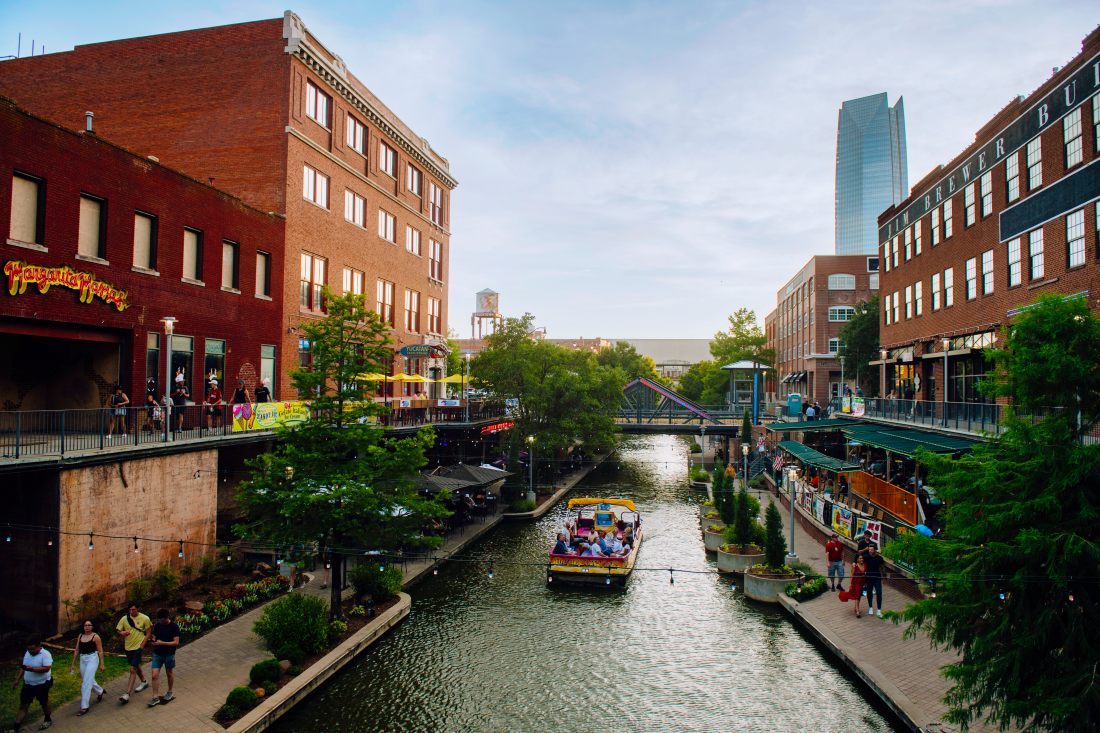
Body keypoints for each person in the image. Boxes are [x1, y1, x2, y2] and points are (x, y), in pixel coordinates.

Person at [10, 636, 52, 731]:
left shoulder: (45, 654)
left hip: (42, 684)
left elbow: (46, 668)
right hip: (28, 684)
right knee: (23, 705)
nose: (30, 651)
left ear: (38, 646)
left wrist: (32, 669)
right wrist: (17, 679)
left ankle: (47, 719)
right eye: (29, 649)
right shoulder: (28, 653)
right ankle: (15, 729)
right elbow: (23, 667)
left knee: (44, 702)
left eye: (33, 649)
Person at [116, 603, 152, 703]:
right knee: (135, 666)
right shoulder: (124, 619)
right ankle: (144, 682)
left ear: (138, 609)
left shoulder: (145, 618)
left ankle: (127, 694)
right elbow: (118, 631)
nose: (131, 612)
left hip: (138, 647)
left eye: (133, 610)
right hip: (128, 647)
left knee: (132, 669)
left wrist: (142, 645)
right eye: (130, 610)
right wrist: (121, 633)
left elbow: (148, 633)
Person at [70, 620, 106, 715]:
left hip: (92, 659)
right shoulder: (80, 636)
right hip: (83, 659)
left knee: (86, 683)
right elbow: (77, 649)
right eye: (85, 625)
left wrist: (102, 664)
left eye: (89, 625)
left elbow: (100, 651)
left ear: (92, 627)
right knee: (87, 679)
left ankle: (84, 706)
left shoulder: (95, 637)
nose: (87, 627)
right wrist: (73, 664)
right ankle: (100, 691)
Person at [148, 609, 179, 707]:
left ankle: (170, 691)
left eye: (163, 621)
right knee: (154, 675)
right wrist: (153, 640)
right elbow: (155, 636)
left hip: (169, 654)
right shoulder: (157, 626)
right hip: (158, 654)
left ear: (167, 617)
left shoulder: (174, 627)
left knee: (169, 673)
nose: (161, 622)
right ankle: (155, 697)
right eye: (160, 621)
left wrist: (162, 643)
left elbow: (176, 642)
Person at [864, 544, 886, 616]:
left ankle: (879, 610)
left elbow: (883, 568)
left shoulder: (879, 558)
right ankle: (870, 607)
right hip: (869, 577)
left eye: (872, 550)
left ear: (875, 550)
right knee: (869, 592)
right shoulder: (866, 557)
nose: (870, 551)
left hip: (877, 577)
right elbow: (859, 560)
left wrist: (884, 578)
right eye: (869, 550)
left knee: (879, 593)